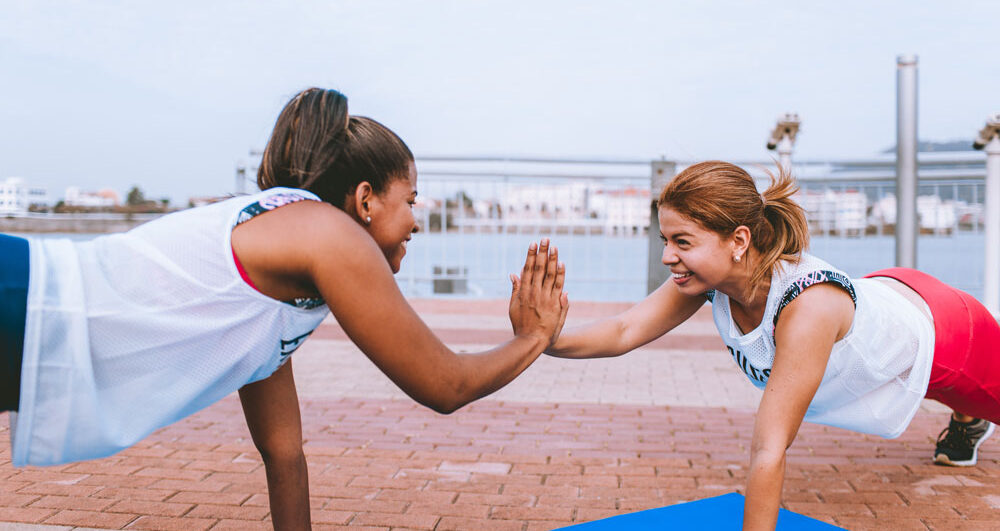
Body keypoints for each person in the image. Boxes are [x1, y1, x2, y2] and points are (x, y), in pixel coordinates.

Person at [0, 87, 568, 531]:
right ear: (367, 200)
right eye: (411, 200)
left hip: (25, 321)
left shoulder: (284, 287)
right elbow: (445, 385)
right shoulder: (325, 233)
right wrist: (534, 336)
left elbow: (283, 452)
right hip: (24, 301)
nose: (417, 220)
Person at [544, 160, 999, 530]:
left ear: (739, 240)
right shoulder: (709, 279)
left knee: (960, 389)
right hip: (887, 294)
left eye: (682, 241)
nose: (667, 256)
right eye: (666, 240)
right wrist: (541, 337)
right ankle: (966, 414)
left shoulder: (808, 308)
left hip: (947, 332)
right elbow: (625, 331)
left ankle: (968, 416)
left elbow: (769, 448)